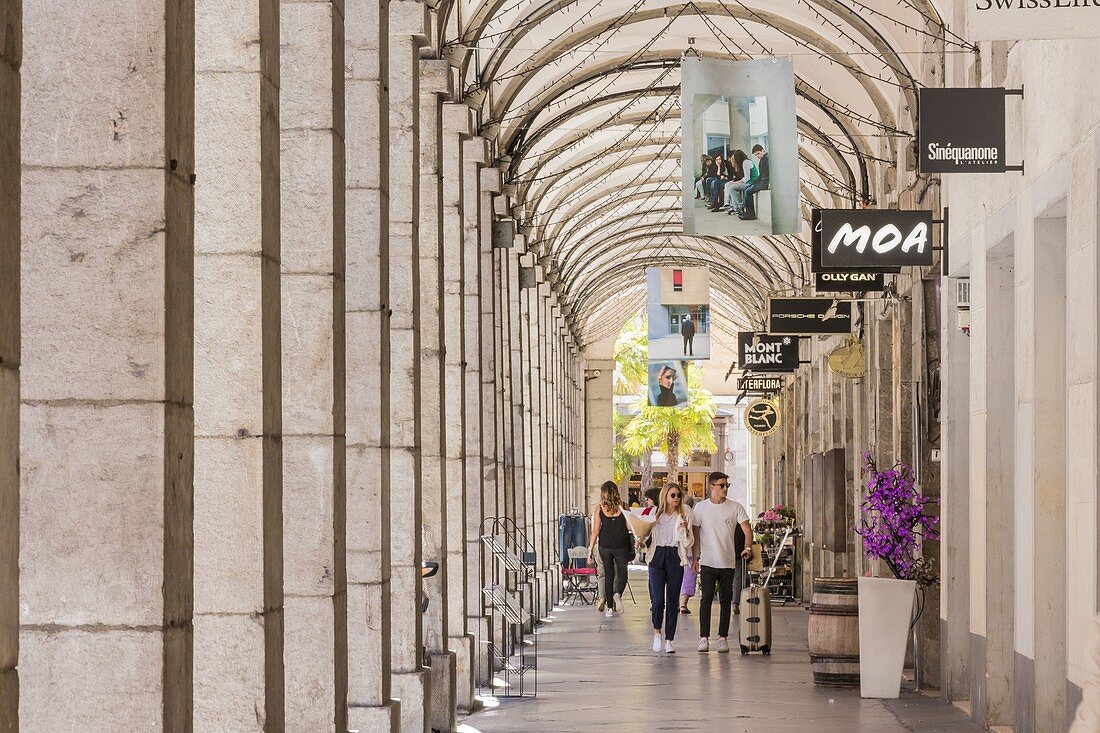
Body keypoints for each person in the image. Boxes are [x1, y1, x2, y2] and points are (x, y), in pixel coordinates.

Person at [692, 471, 753, 653]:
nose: (725, 488)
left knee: (726, 600)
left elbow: (747, 530)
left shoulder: (735, 507)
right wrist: (695, 557)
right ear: (712, 487)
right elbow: (695, 534)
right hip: (708, 561)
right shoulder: (701, 508)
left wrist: (747, 547)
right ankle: (703, 637)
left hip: (727, 561)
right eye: (722, 485)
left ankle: (722, 637)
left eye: (727, 485)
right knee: (706, 599)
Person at [648, 484, 695, 653]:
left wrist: (685, 532)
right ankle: (656, 633)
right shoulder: (655, 514)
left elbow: (689, 543)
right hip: (657, 556)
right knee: (658, 600)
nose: (676, 499)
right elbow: (646, 536)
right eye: (673, 495)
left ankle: (669, 639)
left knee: (673, 600)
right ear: (665, 497)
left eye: (678, 496)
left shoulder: (685, 514)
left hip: (676, 555)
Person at [587, 481, 632, 618]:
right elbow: (630, 527)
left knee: (608, 575)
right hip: (621, 545)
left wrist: (590, 551)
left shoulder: (599, 508)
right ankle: (617, 593)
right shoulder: (623, 506)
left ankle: (610, 609)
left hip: (605, 546)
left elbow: (595, 531)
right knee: (622, 573)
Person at [738, 144, 770, 221]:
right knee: (747, 188)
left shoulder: (768, 159)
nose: (757, 156)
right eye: (756, 155)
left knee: (748, 191)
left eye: (758, 153)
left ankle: (750, 214)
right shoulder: (762, 160)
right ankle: (747, 212)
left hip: (765, 183)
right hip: (762, 181)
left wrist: (770, 183)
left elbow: (773, 172)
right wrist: (752, 183)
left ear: (763, 150)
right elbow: (760, 175)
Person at [679, 492, 698, 614]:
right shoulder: (693, 514)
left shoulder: (678, 513)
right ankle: (683, 604)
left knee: (678, 578)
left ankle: (677, 603)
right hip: (691, 551)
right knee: (688, 578)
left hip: (678, 551)